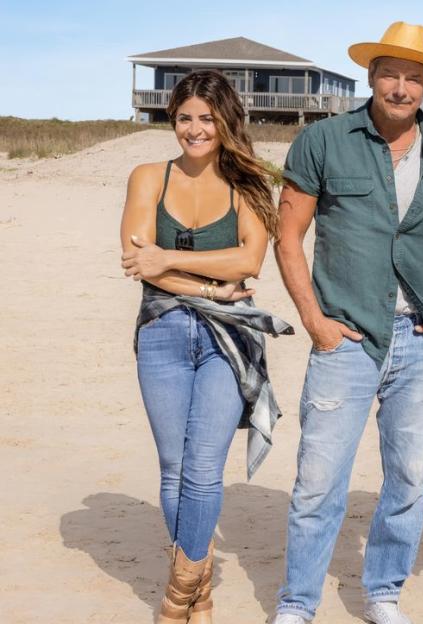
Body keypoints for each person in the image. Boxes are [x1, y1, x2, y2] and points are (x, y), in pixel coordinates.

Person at [270, 22, 423, 624]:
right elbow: (289, 236)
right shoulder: (323, 141)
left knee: (410, 479)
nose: (401, 86)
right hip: (346, 338)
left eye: (415, 77)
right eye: (391, 73)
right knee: (318, 482)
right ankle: (297, 604)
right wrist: (314, 320)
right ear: (371, 76)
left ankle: (384, 593)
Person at [119, 69, 291, 624]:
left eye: (207, 118)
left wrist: (169, 259)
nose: (195, 129)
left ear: (225, 120)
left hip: (228, 339)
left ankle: (176, 599)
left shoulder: (248, 185)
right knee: (172, 467)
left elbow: (249, 260)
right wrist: (212, 288)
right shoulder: (148, 177)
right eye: (185, 117)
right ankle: (201, 591)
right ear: (173, 119)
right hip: (162, 333)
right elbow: (135, 259)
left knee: (202, 470)